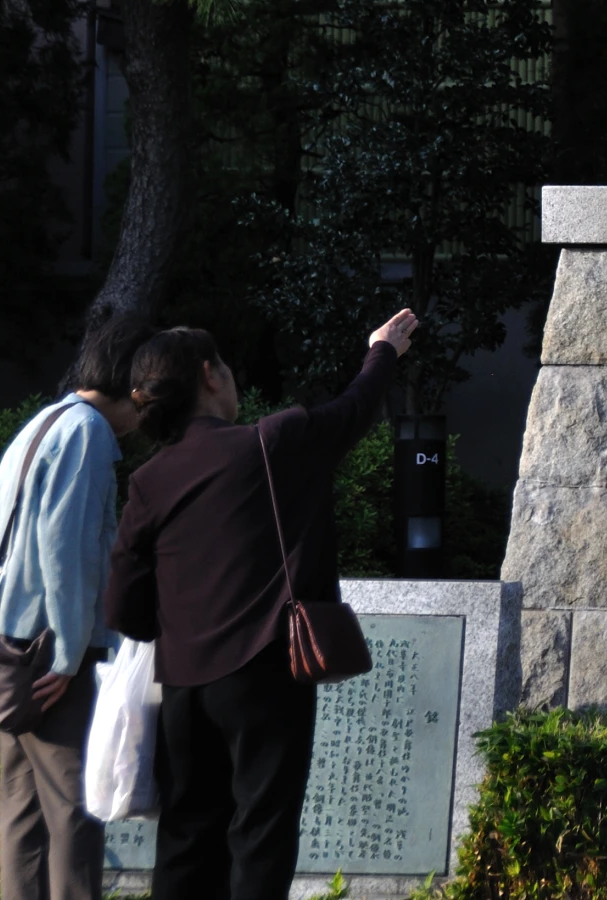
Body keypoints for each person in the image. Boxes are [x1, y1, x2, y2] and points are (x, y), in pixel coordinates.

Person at [104, 308, 417, 900]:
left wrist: (172, 630)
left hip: (182, 688)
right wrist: (383, 350)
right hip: (266, 677)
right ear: (210, 376)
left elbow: (123, 606)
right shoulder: (274, 443)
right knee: (260, 836)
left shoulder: (151, 479)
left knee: (185, 839)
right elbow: (353, 409)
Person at [0, 312, 154, 900]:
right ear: (133, 386)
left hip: (8, 642)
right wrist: (72, 653)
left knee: (22, 812)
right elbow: (68, 552)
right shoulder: (89, 433)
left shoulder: (44, 421)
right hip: (54, 652)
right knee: (78, 810)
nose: (145, 415)